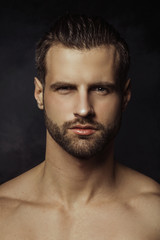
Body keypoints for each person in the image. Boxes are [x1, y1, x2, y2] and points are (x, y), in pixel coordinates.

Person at [0, 14, 159, 239]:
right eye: (65, 88)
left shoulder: (154, 215)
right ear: (39, 94)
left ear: (125, 96)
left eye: (101, 89)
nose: (84, 109)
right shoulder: (3, 215)